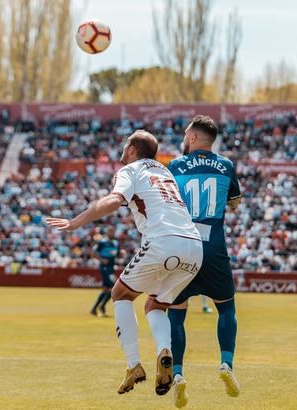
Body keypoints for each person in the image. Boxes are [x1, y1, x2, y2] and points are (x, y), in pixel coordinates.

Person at [47, 130, 203, 396]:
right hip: (194, 246)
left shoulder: (131, 170)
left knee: (120, 293)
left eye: (124, 145)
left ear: (132, 149)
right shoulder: (166, 173)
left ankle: (133, 365)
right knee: (156, 303)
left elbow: (113, 201)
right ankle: (164, 351)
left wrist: (75, 222)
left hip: (163, 241)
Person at [166, 115, 242, 408]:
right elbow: (234, 201)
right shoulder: (226, 165)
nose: (185, 139)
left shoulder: (175, 165)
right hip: (213, 245)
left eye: (187, 135)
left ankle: (178, 373)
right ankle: (226, 364)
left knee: (176, 313)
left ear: (194, 138)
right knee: (227, 308)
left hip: (182, 244)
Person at [90, 226, 119, 317]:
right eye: (110, 231)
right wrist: (101, 260)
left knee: (106, 288)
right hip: (104, 267)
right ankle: (101, 306)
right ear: (107, 233)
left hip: (111, 267)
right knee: (114, 287)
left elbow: (115, 254)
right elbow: (93, 253)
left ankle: (95, 308)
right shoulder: (102, 242)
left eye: (112, 231)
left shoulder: (115, 243)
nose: (111, 233)